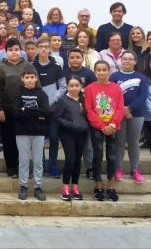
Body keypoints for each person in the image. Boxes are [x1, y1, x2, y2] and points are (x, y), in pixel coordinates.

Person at [0, 38, 34, 177]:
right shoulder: (0, 68)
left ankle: (24, 168)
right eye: (10, 50)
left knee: (24, 141)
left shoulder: (28, 66)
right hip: (7, 111)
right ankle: (11, 167)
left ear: (20, 51)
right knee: (9, 140)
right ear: (6, 52)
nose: (14, 52)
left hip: (25, 111)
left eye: (16, 49)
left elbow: (36, 86)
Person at [85, 60, 125, 201]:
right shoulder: (90, 88)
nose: (102, 73)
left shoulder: (116, 88)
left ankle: (111, 186)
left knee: (112, 156)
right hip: (97, 127)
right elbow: (89, 109)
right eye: (99, 70)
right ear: (95, 72)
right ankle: (98, 186)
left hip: (113, 127)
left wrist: (112, 125)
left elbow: (120, 108)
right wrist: (101, 126)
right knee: (97, 155)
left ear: (109, 71)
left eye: (104, 70)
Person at [109, 51, 149, 183]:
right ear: (121, 60)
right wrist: (123, 110)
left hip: (136, 115)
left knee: (133, 143)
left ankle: (134, 169)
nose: (127, 61)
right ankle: (118, 169)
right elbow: (111, 96)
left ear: (135, 61)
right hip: (118, 114)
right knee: (119, 143)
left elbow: (143, 97)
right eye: (124, 59)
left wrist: (129, 108)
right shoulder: (114, 76)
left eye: (130, 59)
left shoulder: (141, 77)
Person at [32, 37, 67, 179]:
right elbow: (29, 86)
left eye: (46, 46)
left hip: (53, 110)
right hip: (38, 110)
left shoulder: (56, 67)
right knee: (39, 141)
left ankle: (52, 166)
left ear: (50, 49)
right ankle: (39, 166)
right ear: (37, 48)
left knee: (53, 139)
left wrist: (51, 101)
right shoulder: (32, 66)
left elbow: (63, 87)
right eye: (40, 46)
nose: (43, 49)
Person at [14, 65, 50, 201]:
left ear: (36, 78)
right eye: (27, 77)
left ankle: (37, 187)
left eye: (32, 77)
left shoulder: (41, 94)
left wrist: (26, 111)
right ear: (22, 78)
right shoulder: (18, 93)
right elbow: (16, 113)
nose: (29, 80)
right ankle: (23, 186)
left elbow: (45, 112)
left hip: (38, 132)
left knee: (38, 161)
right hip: (22, 132)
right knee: (23, 160)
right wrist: (36, 113)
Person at [54, 76, 89, 201]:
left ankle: (75, 187)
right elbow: (57, 117)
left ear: (81, 86)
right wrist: (70, 124)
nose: (74, 88)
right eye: (71, 86)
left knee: (78, 161)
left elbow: (88, 114)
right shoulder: (63, 100)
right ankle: (65, 188)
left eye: (77, 85)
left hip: (82, 133)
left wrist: (85, 125)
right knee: (71, 159)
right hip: (67, 133)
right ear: (67, 87)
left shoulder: (84, 99)